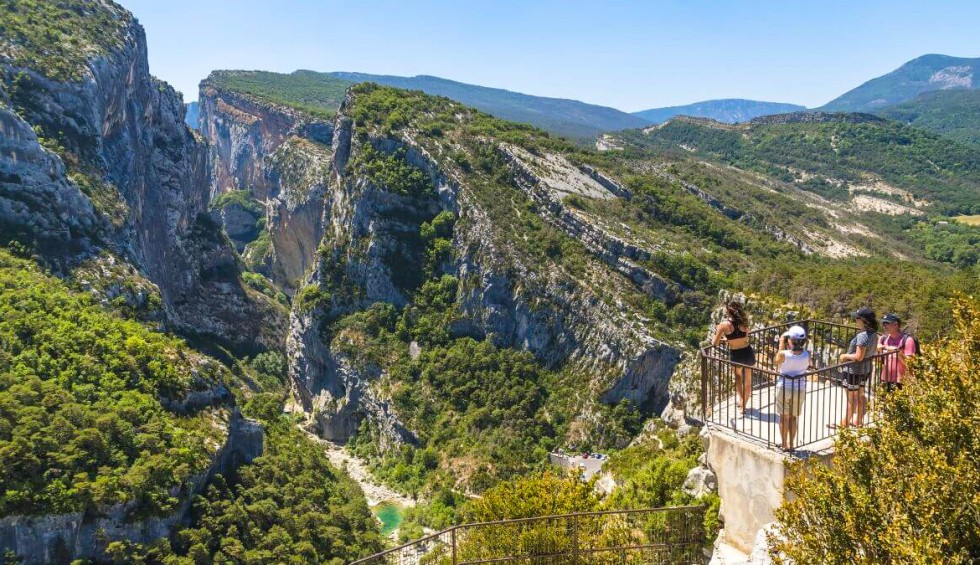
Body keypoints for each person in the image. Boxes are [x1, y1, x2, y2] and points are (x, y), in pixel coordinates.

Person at [833, 307, 879, 429]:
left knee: (851, 398)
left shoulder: (862, 336)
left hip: (854, 370)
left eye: (857, 318)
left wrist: (844, 356)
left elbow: (858, 356)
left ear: (863, 320)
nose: (855, 320)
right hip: (866, 369)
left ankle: (844, 423)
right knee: (860, 395)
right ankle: (858, 420)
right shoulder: (874, 334)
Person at [712, 299, 755, 412]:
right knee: (748, 382)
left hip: (736, 354)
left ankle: (741, 400)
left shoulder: (724, 325)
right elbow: (745, 336)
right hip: (748, 351)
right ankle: (744, 406)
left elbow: (714, 343)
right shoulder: (744, 322)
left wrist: (724, 338)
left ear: (728, 311)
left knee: (738, 377)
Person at [774, 325, 811, 451]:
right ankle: (791, 444)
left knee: (783, 416)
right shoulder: (807, 354)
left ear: (790, 340)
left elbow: (777, 360)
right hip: (799, 387)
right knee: (793, 417)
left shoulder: (784, 354)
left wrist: (781, 343)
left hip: (784, 386)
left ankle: (784, 444)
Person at [878, 313, 917, 393]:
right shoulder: (883, 339)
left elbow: (909, 364)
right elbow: (878, 360)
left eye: (887, 323)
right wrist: (878, 350)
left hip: (902, 381)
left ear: (896, 324)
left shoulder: (908, 340)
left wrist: (897, 352)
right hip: (885, 379)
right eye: (883, 323)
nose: (884, 326)